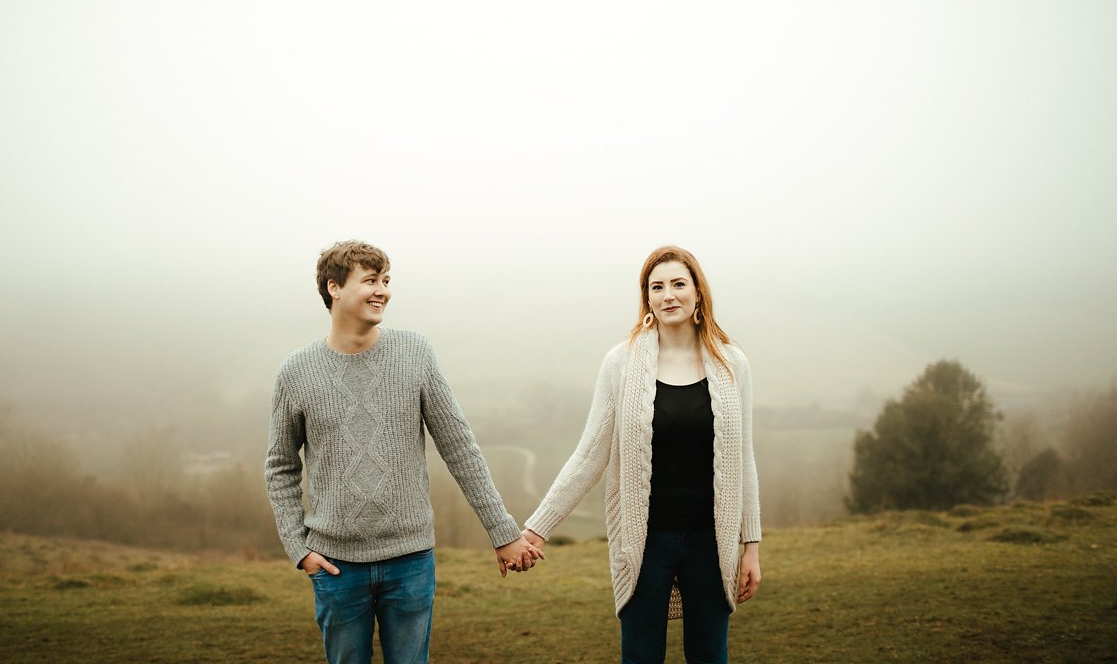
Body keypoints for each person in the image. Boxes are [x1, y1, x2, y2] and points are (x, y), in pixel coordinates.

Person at [264, 240, 542, 664]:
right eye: (370, 280)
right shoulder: (296, 371)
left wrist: (502, 533)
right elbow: (280, 468)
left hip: (411, 561)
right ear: (334, 287)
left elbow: (460, 448)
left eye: (386, 280)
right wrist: (299, 549)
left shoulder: (416, 353)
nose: (383, 291)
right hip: (336, 566)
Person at [523, 245, 761, 664]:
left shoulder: (732, 364)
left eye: (678, 284)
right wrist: (538, 528)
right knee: (640, 656)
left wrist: (751, 546)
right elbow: (589, 455)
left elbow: (744, 459)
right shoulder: (621, 364)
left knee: (710, 656)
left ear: (698, 292)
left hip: (712, 542)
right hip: (644, 543)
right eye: (657, 287)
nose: (668, 294)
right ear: (647, 298)